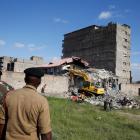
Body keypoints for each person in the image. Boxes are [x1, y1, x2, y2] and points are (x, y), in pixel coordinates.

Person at [0, 67, 52, 140]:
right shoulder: (42, 101)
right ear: (39, 82)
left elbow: (2, 123)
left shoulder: (9, 96)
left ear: (25, 80)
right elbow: (46, 133)